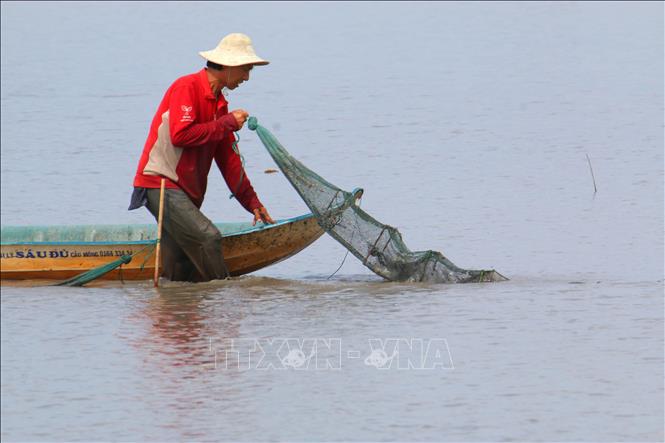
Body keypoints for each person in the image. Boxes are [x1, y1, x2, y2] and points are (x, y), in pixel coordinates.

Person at [129, 33, 275, 282]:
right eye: (245, 69)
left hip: (185, 193)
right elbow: (181, 135)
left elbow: (230, 163)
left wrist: (253, 204)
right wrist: (226, 123)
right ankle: (222, 295)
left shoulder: (220, 105)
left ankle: (177, 312)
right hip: (161, 184)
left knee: (180, 269)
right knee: (208, 237)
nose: (246, 78)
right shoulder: (187, 88)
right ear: (228, 66)